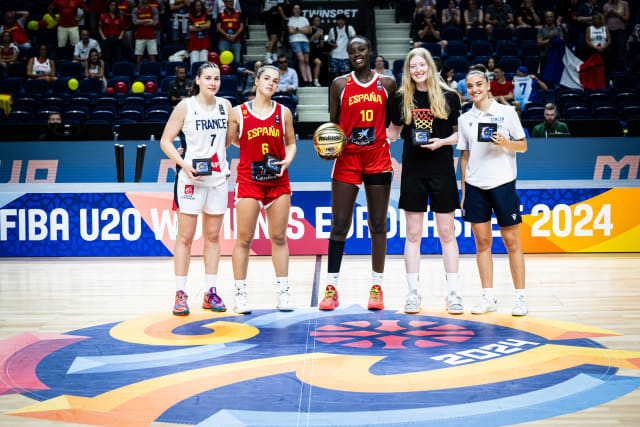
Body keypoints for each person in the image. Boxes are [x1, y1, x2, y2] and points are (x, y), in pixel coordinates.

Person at [318, 36, 397, 311]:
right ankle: (331, 288)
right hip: (347, 158)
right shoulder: (339, 84)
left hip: (377, 157)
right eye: (352, 51)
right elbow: (333, 125)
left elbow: (391, 121)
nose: (357, 54)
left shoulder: (387, 84)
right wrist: (328, 147)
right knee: (339, 224)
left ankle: (376, 287)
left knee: (377, 223)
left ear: (370, 51)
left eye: (361, 49)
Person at [387, 48, 462, 314]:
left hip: (442, 169)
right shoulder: (400, 99)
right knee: (413, 234)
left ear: (430, 66)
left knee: (447, 233)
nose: (418, 69)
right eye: (413, 66)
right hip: (413, 170)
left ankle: (453, 294)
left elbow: (459, 135)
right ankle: (412, 294)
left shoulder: (449, 97)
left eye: (422, 64)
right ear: (408, 71)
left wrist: (442, 141)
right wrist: (368, 132)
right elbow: (393, 134)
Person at [159, 62, 233, 316]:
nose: (213, 82)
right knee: (185, 238)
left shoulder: (225, 106)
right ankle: (180, 294)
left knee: (213, 238)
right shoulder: (185, 106)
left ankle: (210, 292)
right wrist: (183, 164)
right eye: (208, 78)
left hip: (218, 180)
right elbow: (165, 141)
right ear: (198, 80)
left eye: (217, 78)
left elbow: (229, 140)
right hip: (190, 179)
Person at [457, 68, 529, 317]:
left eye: (478, 84)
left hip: (503, 184)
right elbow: (464, 157)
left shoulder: (506, 113)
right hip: (476, 187)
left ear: (488, 85)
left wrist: (505, 143)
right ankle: (488, 297)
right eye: (470, 85)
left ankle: (520, 298)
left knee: (512, 243)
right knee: (482, 244)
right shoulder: (464, 119)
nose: (474, 89)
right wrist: (464, 191)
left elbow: (523, 146)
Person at [226, 64, 297, 314]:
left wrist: (287, 160)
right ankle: (240, 294)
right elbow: (231, 141)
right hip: (249, 180)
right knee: (244, 239)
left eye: (275, 80)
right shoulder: (238, 113)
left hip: (278, 180)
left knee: (278, 237)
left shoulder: (283, 112)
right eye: (266, 78)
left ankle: (283, 292)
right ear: (256, 81)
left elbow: (290, 144)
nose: (271, 83)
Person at [287, 3, 312, 86]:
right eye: (295, 8)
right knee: (301, 60)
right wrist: (302, 29)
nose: (297, 10)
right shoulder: (290, 19)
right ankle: (305, 80)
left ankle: (310, 81)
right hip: (295, 41)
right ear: (293, 10)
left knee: (307, 61)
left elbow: (308, 31)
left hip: (305, 40)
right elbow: (290, 31)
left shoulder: (304, 19)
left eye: (298, 8)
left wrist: (296, 29)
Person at [327, 13, 356, 81]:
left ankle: (345, 88)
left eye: (342, 20)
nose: (340, 21)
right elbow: (328, 41)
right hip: (335, 55)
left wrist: (350, 43)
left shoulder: (349, 28)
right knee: (336, 74)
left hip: (345, 55)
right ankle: (338, 87)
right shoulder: (332, 30)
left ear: (344, 21)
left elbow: (354, 36)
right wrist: (332, 44)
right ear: (336, 21)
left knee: (345, 74)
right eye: (338, 20)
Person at [132, 0, 159, 71]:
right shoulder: (136, 10)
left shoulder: (153, 9)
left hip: (151, 36)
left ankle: (154, 72)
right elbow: (135, 22)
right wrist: (149, 20)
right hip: (139, 36)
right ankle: (138, 73)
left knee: (152, 57)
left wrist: (140, 22)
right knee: (139, 58)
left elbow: (155, 23)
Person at [603, 0, 629, 71]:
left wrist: (617, 13)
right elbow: (602, 20)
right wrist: (607, 13)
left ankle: (621, 70)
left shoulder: (624, 4)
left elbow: (627, 18)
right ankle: (611, 70)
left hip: (620, 30)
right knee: (610, 51)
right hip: (609, 30)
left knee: (620, 49)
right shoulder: (606, 5)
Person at [216, 0, 244, 65]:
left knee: (237, 61)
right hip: (224, 40)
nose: (230, 3)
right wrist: (227, 35)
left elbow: (242, 27)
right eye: (228, 2)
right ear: (225, 3)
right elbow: (218, 28)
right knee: (224, 62)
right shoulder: (220, 14)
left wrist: (235, 35)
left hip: (236, 40)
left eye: (232, 2)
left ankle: (237, 75)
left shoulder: (238, 14)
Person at [99, 0, 125, 64]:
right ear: (108, 6)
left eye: (114, 5)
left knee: (118, 57)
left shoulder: (120, 16)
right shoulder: (103, 16)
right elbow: (100, 28)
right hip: (107, 38)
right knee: (107, 57)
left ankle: (117, 72)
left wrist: (120, 37)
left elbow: (123, 29)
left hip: (117, 38)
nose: (113, 7)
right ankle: (107, 73)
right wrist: (103, 37)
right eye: (111, 5)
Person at [187, 0, 211, 64]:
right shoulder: (190, 17)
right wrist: (203, 27)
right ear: (194, 7)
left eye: (200, 5)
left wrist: (197, 27)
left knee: (204, 64)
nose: (199, 7)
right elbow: (190, 28)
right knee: (194, 63)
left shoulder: (206, 16)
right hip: (194, 44)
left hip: (204, 43)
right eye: (197, 5)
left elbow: (208, 25)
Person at [309, 14, 324, 87]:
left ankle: (316, 79)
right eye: (315, 20)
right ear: (313, 21)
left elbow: (321, 45)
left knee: (319, 64)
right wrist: (314, 36)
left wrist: (321, 37)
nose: (317, 22)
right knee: (318, 63)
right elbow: (307, 42)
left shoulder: (321, 30)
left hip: (318, 51)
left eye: (318, 20)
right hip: (309, 50)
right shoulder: (310, 29)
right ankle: (315, 80)